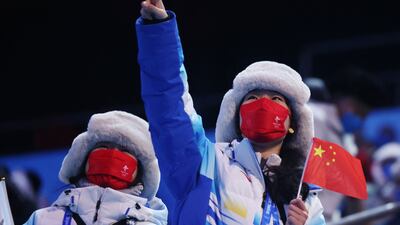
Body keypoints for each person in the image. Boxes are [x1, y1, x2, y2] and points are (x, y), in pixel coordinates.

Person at [135, 1, 326, 225]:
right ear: (237, 117)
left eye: (276, 99)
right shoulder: (205, 162)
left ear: (293, 122)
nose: (263, 104)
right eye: (253, 98)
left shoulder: (306, 201)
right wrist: (159, 31)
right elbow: (170, 110)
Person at [24, 110, 168, 225]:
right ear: (82, 159)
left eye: (125, 150)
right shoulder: (42, 219)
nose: (112, 155)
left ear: (141, 172)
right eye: (103, 146)